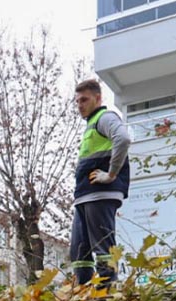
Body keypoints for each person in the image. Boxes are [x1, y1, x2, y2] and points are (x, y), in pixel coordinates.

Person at [71, 78, 131, 286]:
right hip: (85, 196)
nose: (80, 105)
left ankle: (107, 298)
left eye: (84, 100)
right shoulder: (91, 126)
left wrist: (111, 174)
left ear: (98, 98)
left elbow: (123, 138)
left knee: (103, 250)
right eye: (77, 101)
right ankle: (82, 296)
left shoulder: (104, 118)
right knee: (79, 251)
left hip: (99, 194)